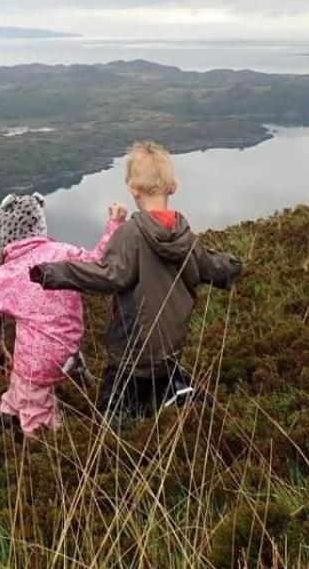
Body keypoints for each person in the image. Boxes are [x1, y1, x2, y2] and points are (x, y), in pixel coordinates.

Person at [32, 142, 241, 422]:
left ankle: (125, 437)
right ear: (173, 187)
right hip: (170, 347)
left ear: (132, 188)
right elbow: (211, 266)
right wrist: (234, 266)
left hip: (130, 353)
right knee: (160, 391)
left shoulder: (130, 234)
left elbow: (107, 275)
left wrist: (54, 273)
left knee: (112, 420)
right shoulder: (184, 235)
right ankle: (178, 398)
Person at [0, 193, 125, 438]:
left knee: (37, 415)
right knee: (21, 381)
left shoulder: (9, 273)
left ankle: (45, 448)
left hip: (37, 364)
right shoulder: (62, 252)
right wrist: (114, 225)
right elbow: (98, 262)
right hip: (70, 351)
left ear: (3, 234)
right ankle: (8, 413)